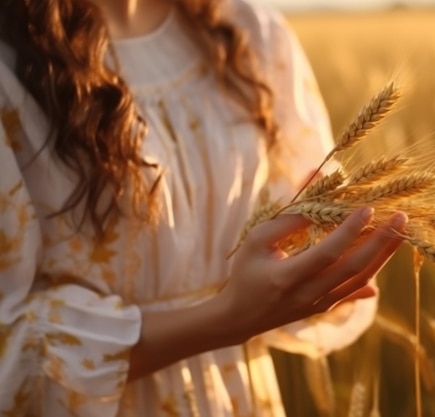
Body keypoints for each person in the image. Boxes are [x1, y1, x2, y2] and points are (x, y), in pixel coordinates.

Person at [0, 0, 407, 416]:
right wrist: (229, 316)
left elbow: (303, 205)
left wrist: (316, 258)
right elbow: (7, 342)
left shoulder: (249, 29)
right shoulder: (8, 64)